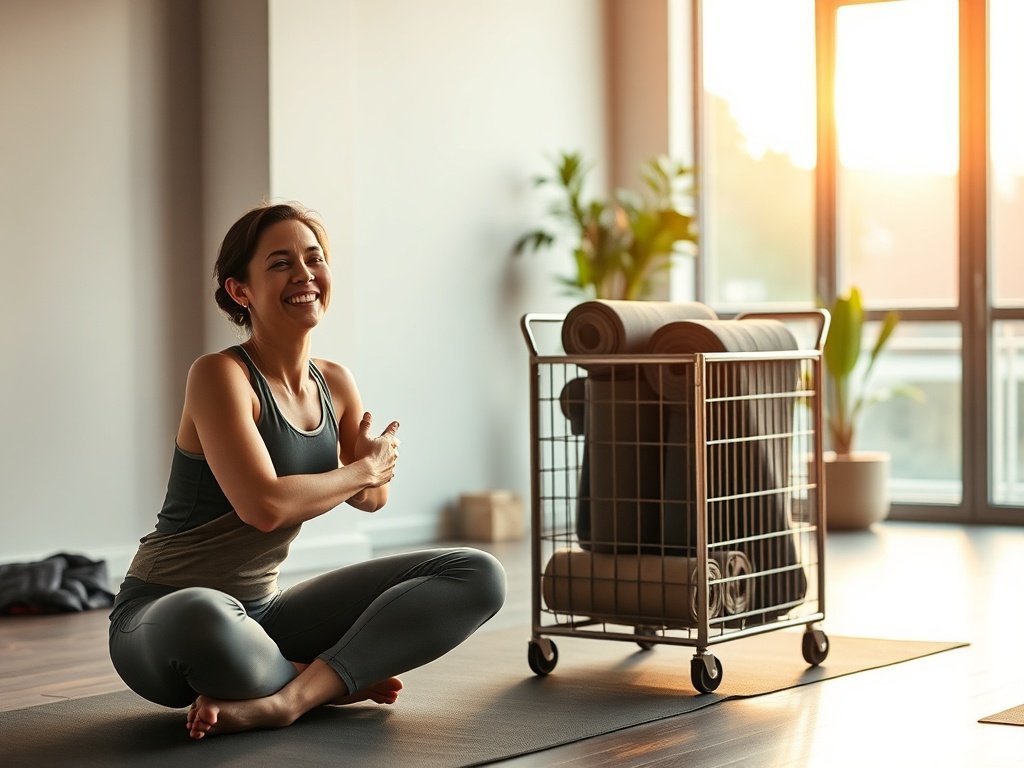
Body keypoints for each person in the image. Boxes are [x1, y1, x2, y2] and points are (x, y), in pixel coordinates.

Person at [108, 202, 506, 740]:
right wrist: (365, 468)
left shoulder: (335, 382)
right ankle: (332, 681)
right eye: (279, 263)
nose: (304, 274)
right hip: (163, 614)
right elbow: (265, 507)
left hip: (262, 615)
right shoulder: (219, 376)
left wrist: (370, 470)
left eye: (314, 258)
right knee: (203, 614)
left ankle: (292, 697)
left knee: (477, 573)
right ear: (239, 291)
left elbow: (371, 499)